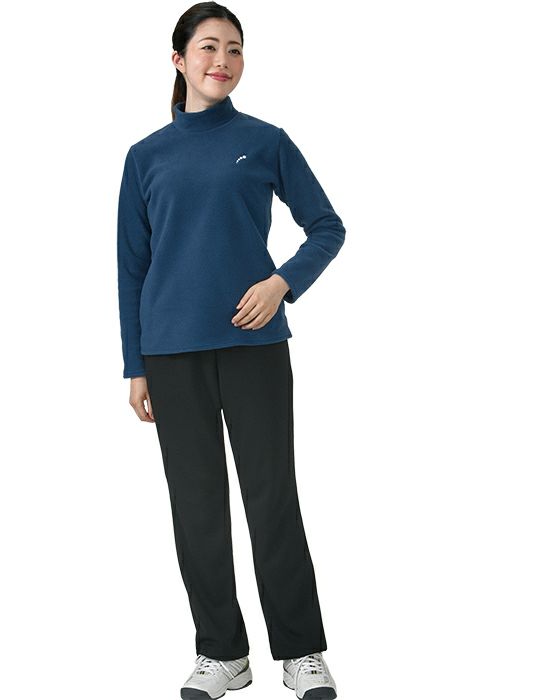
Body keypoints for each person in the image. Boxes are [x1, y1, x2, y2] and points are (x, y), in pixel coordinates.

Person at [117, 3, 345, 698]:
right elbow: (132, 266)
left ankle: (301, 652)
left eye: (235, 49)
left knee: (272, 498)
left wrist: (282, 283)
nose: (223, 60)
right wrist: (135, 364)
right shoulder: (145, 156)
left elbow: (327, 227)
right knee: (197, 508)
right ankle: (222, 653)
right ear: (179, 59)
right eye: (210, 47)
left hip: (254, 347)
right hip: (171, 353)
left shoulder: (266, 141)